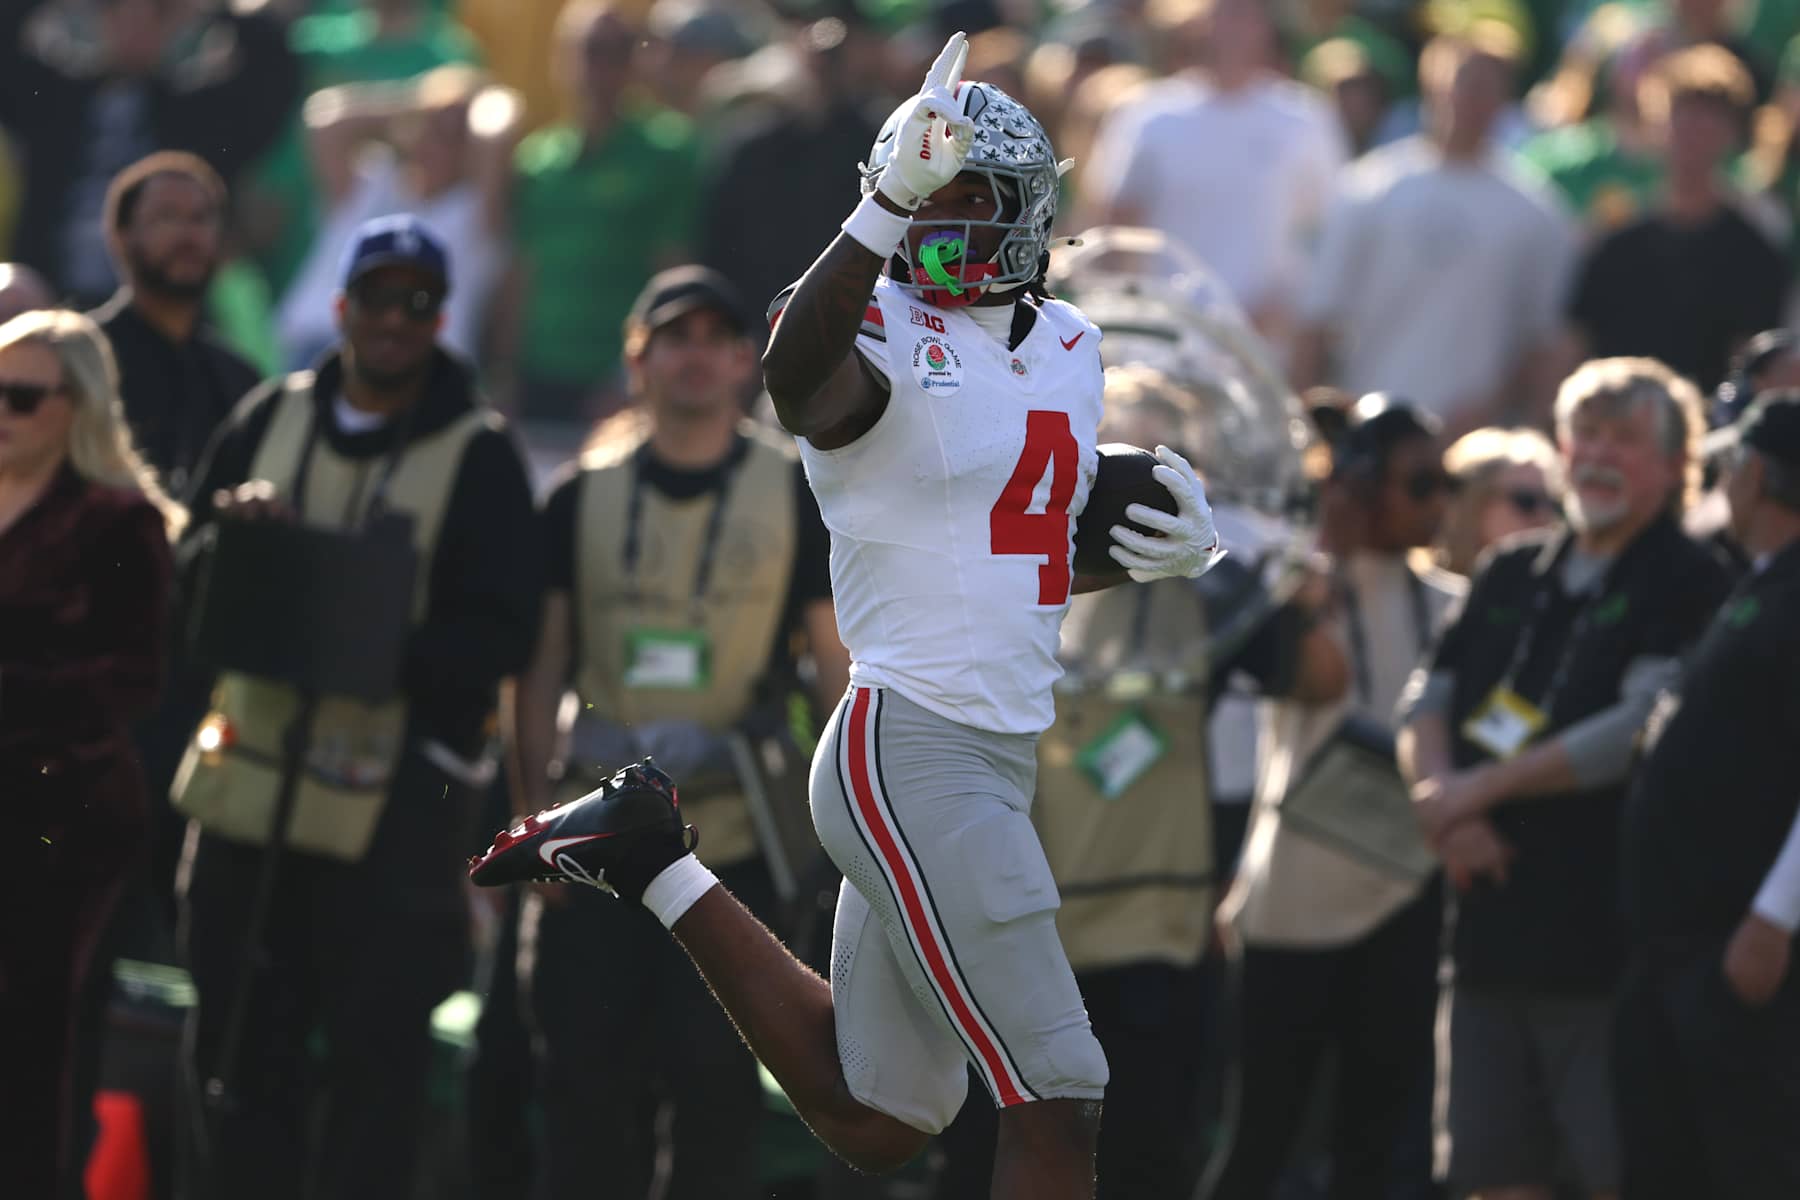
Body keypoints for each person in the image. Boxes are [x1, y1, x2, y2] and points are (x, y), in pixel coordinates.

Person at [471, 34, 1225, 1200]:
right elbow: (797, 383)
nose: (944, 219)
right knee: (1060, 1087)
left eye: (970, 197)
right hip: (912, 744)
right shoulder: (863, 316)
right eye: (928, 192)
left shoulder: (1072, 346)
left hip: (997, 747)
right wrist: (881, 208)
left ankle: (648, 857)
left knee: (879, 1113)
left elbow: (1000, 553)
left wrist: (1135, 553)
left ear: (1028, 208)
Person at [170, 214, 540, 1200]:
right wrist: (238, 551)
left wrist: (366, 640)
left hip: (391, 826)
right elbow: (182, 576)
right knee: (233, 1062)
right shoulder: (266, 416)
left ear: (442, 319)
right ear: (340, 306)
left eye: (418, 302)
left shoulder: (480, 453)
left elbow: (503, 636)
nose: (394, 319)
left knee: (376, 1083)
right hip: (245, 803)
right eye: (378, 297)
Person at [932, 364, 1347, 1200]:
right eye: (1116, 454)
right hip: (1017, 930)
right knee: (996, 1158)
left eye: (1167, 462)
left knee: (1145, 1159)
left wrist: (1272, 583)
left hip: (1155, 939)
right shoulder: (998, 564)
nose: (1136, 483)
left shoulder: (1212, 591)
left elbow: (1318, 680)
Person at [508, 265, 849, 1199]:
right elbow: (539, 668)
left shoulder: (797, 491)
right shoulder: (578, 493)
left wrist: (845, 832)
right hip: (593, 846)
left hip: (729, 846)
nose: (694, 357)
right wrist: (530, 819)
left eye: (715, 339)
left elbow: (834, 665)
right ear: (636, 362)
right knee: (582, 1092)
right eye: (672, 339)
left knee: (715, 1096)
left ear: (747, 362)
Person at [1398, 357, 1733, 1200]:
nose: (1598, 456)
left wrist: (1477, 792)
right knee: (1495, 1174)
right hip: (1484, 941)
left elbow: (1636, 730)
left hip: (1606, 954)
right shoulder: (1510, 569)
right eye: (1585, 434)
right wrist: (1444, 809)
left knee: (1612, 1174)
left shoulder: (1693, 579)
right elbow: (1427, 699)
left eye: (1624, 438)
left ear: (1676, 463)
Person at [1208, 394, 1462, 1200]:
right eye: (1419, 484)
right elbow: (1297, 674)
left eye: (1448, 483)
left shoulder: (1456, 602)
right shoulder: (1296, 586)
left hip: (1406, 898)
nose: (1440, 502)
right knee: (1262, 1141)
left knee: (1376, 1146)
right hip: (1294, 901)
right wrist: (1323, 552)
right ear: (1359, 484)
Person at [0, 309, 182, 1200]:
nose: (1, 412)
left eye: (22, 397)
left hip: (58, 814)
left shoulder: (117, 521)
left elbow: (136, 677)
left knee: (33, 1042)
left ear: (77, 405)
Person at [1614, 389, 1800, 1199]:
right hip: (1683, 948)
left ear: (1754, 474)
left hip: (1738, 954)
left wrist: (1774, 918)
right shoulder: (1762, 581)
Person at [1292, 26, 1576, 441]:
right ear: (1433, 86)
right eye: (1464, 82)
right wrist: (1311, 428)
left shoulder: (1537, 211)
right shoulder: (1368, 188)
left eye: (1489, 88)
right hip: (1369, 433)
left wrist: (1493, 411)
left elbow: (1543, 344)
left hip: (1476, 442)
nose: (1473, 100)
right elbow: (1317, 322)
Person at [1566, 46, 1788, 393]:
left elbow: (1753, 368)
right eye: (1680, 115)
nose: (1692, 132)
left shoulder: (1755, 253)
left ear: (1733, 134)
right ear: (1655, 126)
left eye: (1708, 119)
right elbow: (1574, 344)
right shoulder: (1614, 241)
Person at [1436, 426, 1563, 577]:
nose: (1545, 517)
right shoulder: (1422, 585)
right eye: (1526, 501)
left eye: (1553, 504)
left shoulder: (1559, 585)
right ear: (1475, 503)